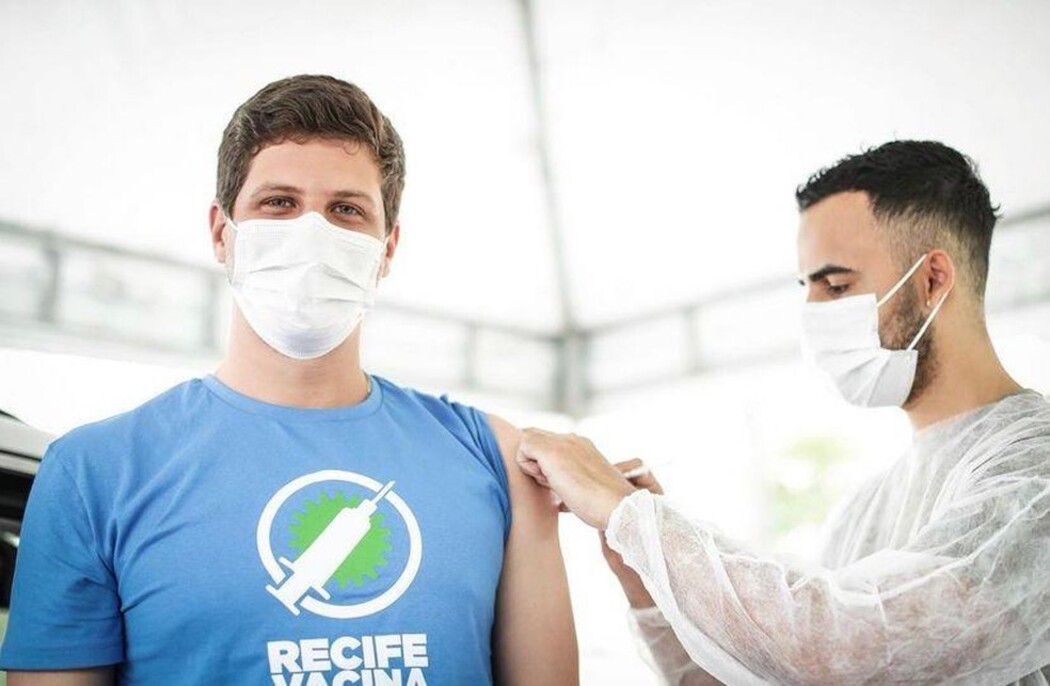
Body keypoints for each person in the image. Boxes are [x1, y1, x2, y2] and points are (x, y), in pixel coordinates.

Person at [0, 75, 578, 685]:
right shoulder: (95, 472)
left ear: (387, 248)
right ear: (222, 233)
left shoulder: (495, 457)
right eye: (278, 203)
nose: (312, 234)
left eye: (346, 209)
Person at [515, 141, 1050, 685]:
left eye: (836, 285)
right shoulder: (867, 507)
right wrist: (647, 576)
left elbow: (850, 650)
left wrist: (631, 515)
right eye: (807, 287)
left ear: (933, 278)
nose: (813, 313)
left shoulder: (1035, 479)